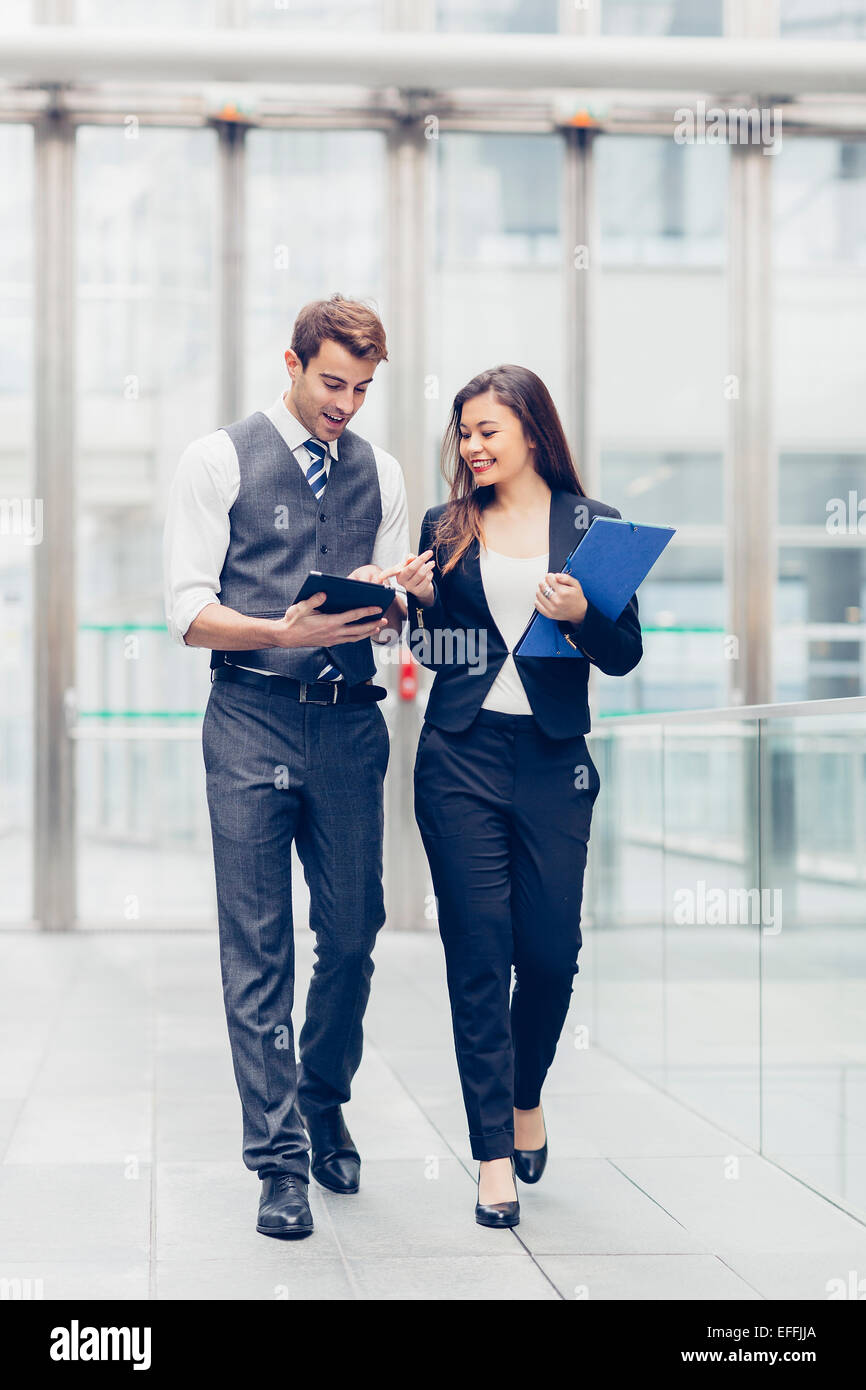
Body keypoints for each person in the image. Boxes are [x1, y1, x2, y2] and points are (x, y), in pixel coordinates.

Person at [163, 294, 412, 1240]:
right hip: (249, 717)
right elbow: (186, 611)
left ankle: (323, 1094)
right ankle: (278, 1161)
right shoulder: (217, 458)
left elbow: (382, 605)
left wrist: (401, 596)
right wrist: (278, 628)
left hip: (351, 726)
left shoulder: (380, 473)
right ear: (294, 362)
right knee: (256, 945)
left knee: (352, 934)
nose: (346, 402)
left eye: (362, 387)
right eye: (332, 382)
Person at [402, 364, 643, 1228]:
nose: (470, 448)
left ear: (533, 433)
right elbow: (439, 654)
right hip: (459, 757)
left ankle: (526, 1089)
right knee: (478, 955)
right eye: (463, 434)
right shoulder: (447, 524)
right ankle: (491, 1154)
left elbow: (622, 656)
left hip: (553, 761)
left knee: (548, 954)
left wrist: (582, 614)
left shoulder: (595, 527)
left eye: (487, 432)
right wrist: (422, 606)